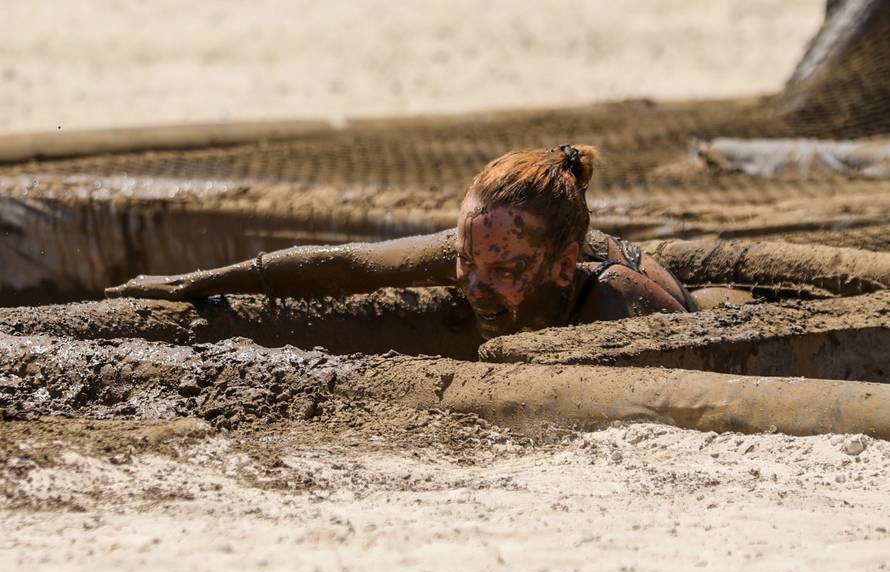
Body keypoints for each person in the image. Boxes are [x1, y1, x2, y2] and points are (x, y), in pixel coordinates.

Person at [106, 145, 698, 339]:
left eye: (499, 267)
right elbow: (345, 265)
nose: (472, 281)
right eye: (466, 256)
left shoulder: (620, 302)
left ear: (564, 266)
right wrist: (192, 283)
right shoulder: (486, 251)